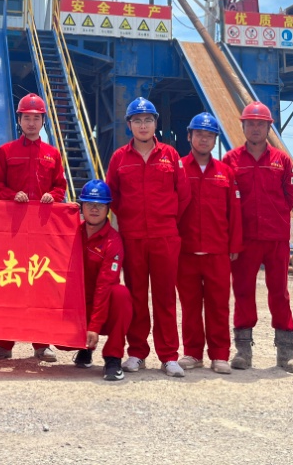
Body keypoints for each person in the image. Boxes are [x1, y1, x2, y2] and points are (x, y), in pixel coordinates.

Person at [105, 97, 190, 378]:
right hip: (133, 237)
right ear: (129, 125)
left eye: (148, 120)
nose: (143, 125)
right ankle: (137, 353)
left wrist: (166, 220)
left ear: (156, 123)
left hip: (165, 236)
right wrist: (130, 220)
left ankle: (169, 356)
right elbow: (112, 196)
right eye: (138, 120)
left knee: (165, 297)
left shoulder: (171, 155)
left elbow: (183, 195)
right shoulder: (119, 158)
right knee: (136, 297)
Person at [222, 101, 293, 373]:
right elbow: (226, 199)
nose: (255, 128)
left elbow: (291, 195)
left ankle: (286, 354)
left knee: (279, 293)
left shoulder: (282, 160)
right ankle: (243, 352)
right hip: (244, 238)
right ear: (243, 126)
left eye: (261, 124)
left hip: (275, 237)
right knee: (243, 291)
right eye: (251, 123)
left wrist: (275, 215)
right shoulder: (231, 160)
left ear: (268, 128)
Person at [0, 93, 67, 362]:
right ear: (19, 120)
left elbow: (60, 186)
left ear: (43, 121)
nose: (31, 123)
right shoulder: (6, 152)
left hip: (41, 230)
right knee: (8, 285)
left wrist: (52, 196)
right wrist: (12, 195)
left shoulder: (53, 154)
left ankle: (41, 345)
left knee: (40, 286)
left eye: (36, 118)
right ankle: (4, 345)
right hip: (13, 230)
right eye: (26, 118)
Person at [177, 113, 242, 374]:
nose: (204, 139)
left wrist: (234, 246)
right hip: (186, 250)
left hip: (217, 251)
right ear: (189, 136)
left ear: (215, 140)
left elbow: (234, 211)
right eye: (199, 134)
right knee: (190, 305)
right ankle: (193, 353)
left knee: (218, 306)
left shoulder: (226, 173)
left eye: (209, 135)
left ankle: (220, 355)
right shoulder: (179, 169)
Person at [57, 180, 133, 382]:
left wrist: (94, 327)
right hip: (77, 304)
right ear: (81, 206)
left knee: (121, 295)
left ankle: (113, 358)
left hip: (101, 305)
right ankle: (84, 349)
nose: (94, 209)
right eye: (89, 203)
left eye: (100, 205)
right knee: (61, 343)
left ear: (108, 208)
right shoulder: (71, 233)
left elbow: (105, 286)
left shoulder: (113, 241)